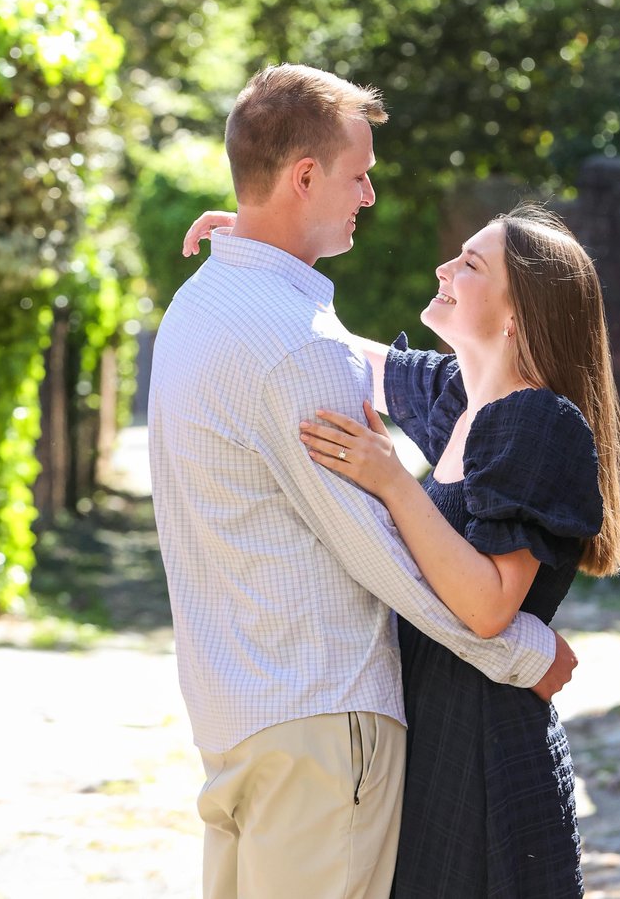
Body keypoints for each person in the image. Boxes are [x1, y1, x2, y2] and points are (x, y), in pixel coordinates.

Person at [150, 63, 576, 899]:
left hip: (235, 720)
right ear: (305, 177)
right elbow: (380, 558)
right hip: (320, 722)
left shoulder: (197, 309)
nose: (371, 195)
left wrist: (247, 246)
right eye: (358, 173)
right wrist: (527, 651)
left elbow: (352, 360)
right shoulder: (299, 347)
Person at [188, 197, 620, 899]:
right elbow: (336, 353)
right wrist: (256, 251)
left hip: (482, 745)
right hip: (428, 728)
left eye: (469, 264)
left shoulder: (539, 423)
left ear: (517, 313)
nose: (443, 268)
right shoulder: (463, 400)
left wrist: (393, 480)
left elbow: (490, 607)